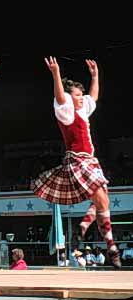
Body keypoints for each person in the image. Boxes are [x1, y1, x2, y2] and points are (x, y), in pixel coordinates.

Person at [31, 57, 121, 269]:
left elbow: (94, 97)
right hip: (78, 161)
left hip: (90, 161)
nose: (82, 98)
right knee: (101, 198)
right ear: (70, 98)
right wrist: (55, 74)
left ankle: (85, 226)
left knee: (102, 201)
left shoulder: (81, 110)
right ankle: (110, 246)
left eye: (81, 95)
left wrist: (95, 76)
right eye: (78, 96)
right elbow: (61, 96)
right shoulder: (67, 112)